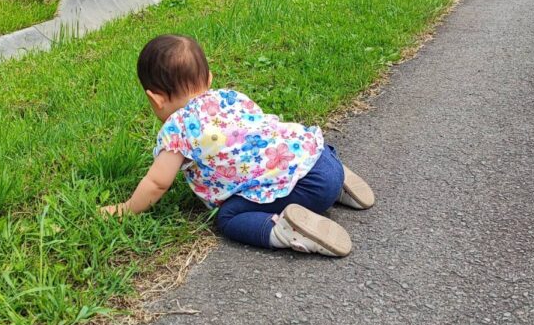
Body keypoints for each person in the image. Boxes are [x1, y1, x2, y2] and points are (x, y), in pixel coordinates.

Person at [100, 34, 375, 257]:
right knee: (293, 146)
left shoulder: (177, 129)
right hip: (319, 160)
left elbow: (157, 183)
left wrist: (126, 208)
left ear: (155, 99)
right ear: (209, 79)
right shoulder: (230, 97)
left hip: (307, 191)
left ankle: (284, 229)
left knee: (228, 217)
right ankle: (336, 179)